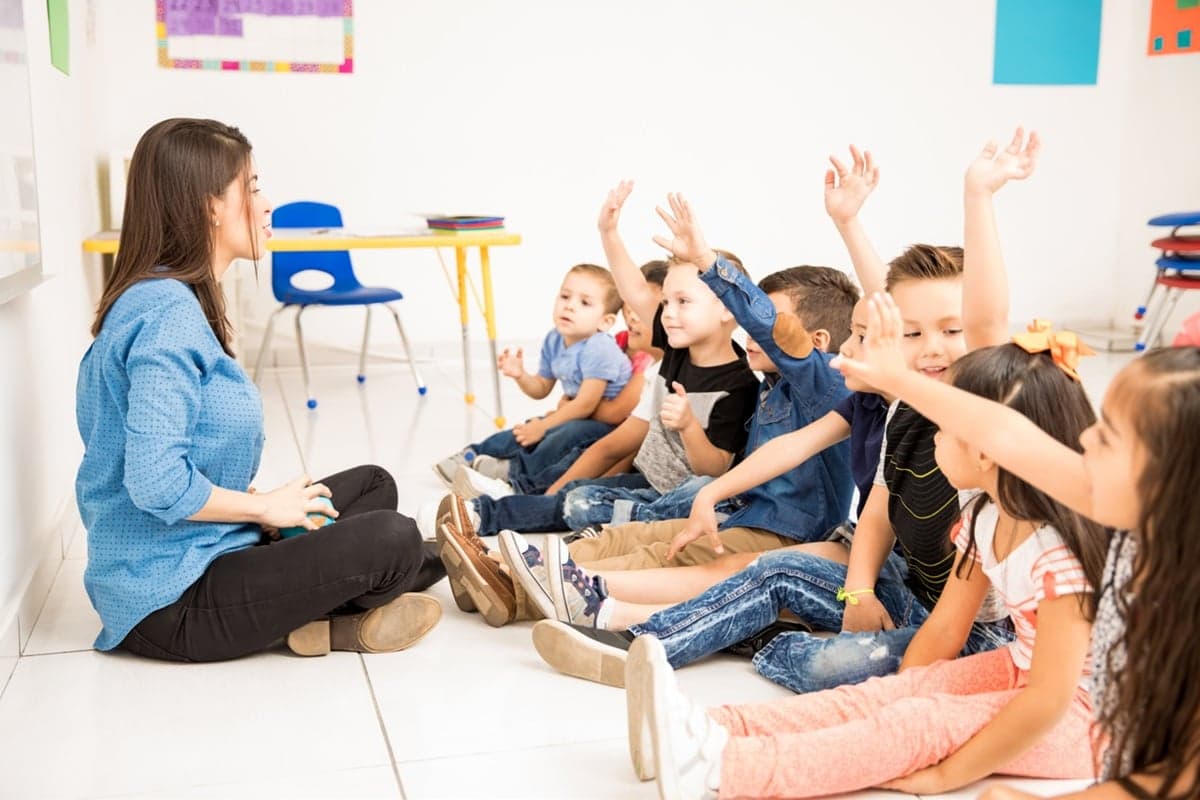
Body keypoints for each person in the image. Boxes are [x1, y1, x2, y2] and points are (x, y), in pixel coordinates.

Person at [627, 338, 1107, 798]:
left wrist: (947, 774)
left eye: (941, 429)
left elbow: (1047, 702)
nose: (933, 438)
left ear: (984, 450)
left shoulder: (1058, 559)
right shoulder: (984, 513)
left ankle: (722, 770)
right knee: (892, 695)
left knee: (925, 723)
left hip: (1084, 721)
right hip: (1019, 672)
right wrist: (901, 694)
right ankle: (709, 730)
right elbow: (944, 629)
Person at [74, 117, 444, 662]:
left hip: (208, 547)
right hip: (170, 599)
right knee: (393, 540)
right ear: (209, 206)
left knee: (373, 486)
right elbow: (155, 482)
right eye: (250, 187)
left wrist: (258, 508)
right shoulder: (167, 318)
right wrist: (266, 509)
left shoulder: (171, 298)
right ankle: (396, 585)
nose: (267, 204)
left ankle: (421, 567)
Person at [843, 320, 1200, 800]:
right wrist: (899, 380)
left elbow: (1177, 775)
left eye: (1110, 436)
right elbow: (1005, 431)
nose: (1086, 439)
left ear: (1170, 475)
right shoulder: (1121, 505)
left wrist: (957, 777)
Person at [432, 263, 635, 494]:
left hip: (608, 426)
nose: (569, 306)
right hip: (576, 413)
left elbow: (586, 404)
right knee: (527, 429)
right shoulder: (555, 338)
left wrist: (545, 425)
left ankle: (513, 471)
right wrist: (521, 375)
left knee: (560, 435)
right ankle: (473, 454)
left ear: (605, 322)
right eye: (565, 296)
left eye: (584, 303)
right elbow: (541, 388)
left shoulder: (600, 348)